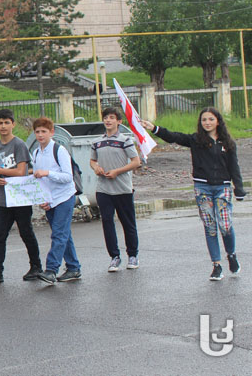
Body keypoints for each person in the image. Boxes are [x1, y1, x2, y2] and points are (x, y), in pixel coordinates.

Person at [142, 108, 245, 281]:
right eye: (204, 119)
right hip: (202, 188)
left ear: (218, 121)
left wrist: (239, 189)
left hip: (223, 187)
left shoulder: (228, 143)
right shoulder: (196, 140)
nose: (207, 122)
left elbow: (234, 167)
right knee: (210, 226)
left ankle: (231, 254)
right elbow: (174, 137)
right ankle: (216, 265)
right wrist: (154, 128)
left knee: (225, 225)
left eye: (210, 119)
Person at [0, 109, 43, 284]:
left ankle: (36, 265)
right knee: (0, 234)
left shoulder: (19, 145)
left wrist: (0, 171)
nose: (3, 126)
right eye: (0, 123)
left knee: (26, 232)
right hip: (3, 199)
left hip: (21, 197)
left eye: (6, 122)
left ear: (13, 124)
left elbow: (21, 171)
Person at [90, 107, 142, 272]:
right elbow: (92, 161)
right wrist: (96, 168)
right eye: (106, 117)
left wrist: (117, 171)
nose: (108, 120)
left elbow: (136, 162)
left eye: (112, 117)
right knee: (107, 222)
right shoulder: (96, 142)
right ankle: (114, 257)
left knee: (128, 223)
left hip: (123, 188)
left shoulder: (125, 140)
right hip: (103, 189)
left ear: (119, 121)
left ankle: (132, 255)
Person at [30, 117, 81, 285]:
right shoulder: (36, 152)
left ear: (51, 132)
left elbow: (68, 177)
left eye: (44, 131)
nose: (40, 135)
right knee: (63, 234)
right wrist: (43, 199)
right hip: (50, 199)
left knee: (59, 233)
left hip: (65, 197)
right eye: (37, 132)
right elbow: (39, 180)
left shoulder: (59, 150)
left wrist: (47, 173)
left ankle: (51, 270)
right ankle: (73, 267)